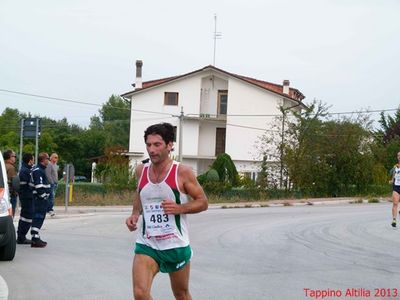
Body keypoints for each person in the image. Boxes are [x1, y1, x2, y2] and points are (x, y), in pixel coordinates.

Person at [125, 123, 208, 300]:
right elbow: (140, 192)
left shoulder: (183, 172)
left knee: (181, 294)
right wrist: (135, 213)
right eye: (148, 145)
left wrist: (180, 208)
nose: (152, 150)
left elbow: (203, 202)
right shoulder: (141, 171)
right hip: (147, 243)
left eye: (157, 145)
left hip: (175, 244)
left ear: (170, 145)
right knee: (140, 293)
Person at [30, 152, 51, 248]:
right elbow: (39, 186)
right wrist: (43, 196)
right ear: (43, 160)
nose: (49, 161)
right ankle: (35, 239)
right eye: (48, 159)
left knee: (39, 218)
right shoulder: (38, 171)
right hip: (39, 199)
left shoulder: (40, 170)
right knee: (38, 217)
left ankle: (36, 237)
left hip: (40, 199)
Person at [17, 153, 34, 244]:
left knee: (25, 216)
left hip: (25, 196)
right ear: (30, 160)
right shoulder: (26, 171)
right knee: (27, 216)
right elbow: (29, 185)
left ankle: (21, 236)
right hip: (27, 196)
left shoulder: (25, 170)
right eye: (33, 159)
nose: (33, 161)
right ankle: (21, 237)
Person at [3, 150, 18, 217]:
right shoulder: (11, 168)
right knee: (10, 215)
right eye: (14, 156)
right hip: (10, 195)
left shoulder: (2, 166)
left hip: (3, 194)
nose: (15, 158)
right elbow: (14, 183)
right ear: (10, 157)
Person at [45, 152, 59, 217]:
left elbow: (55, 174)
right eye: (55, 157)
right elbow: (48, 174)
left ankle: (48, 208)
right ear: (51, 158)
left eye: (57, 158)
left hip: (55, 183)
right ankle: (50, 209)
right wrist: (51, 182)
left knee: (52, 196)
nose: (56, 159)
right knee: (51, 196)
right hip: (51, 183)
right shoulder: (49, 164)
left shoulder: (56, 165)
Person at [390, 151, 400, 227]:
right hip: (396, 186)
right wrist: (391, 181)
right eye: (398, 155)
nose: (399, 157)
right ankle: (394, 220)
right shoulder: (395, 167)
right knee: (395, 203)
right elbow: (393, 176)